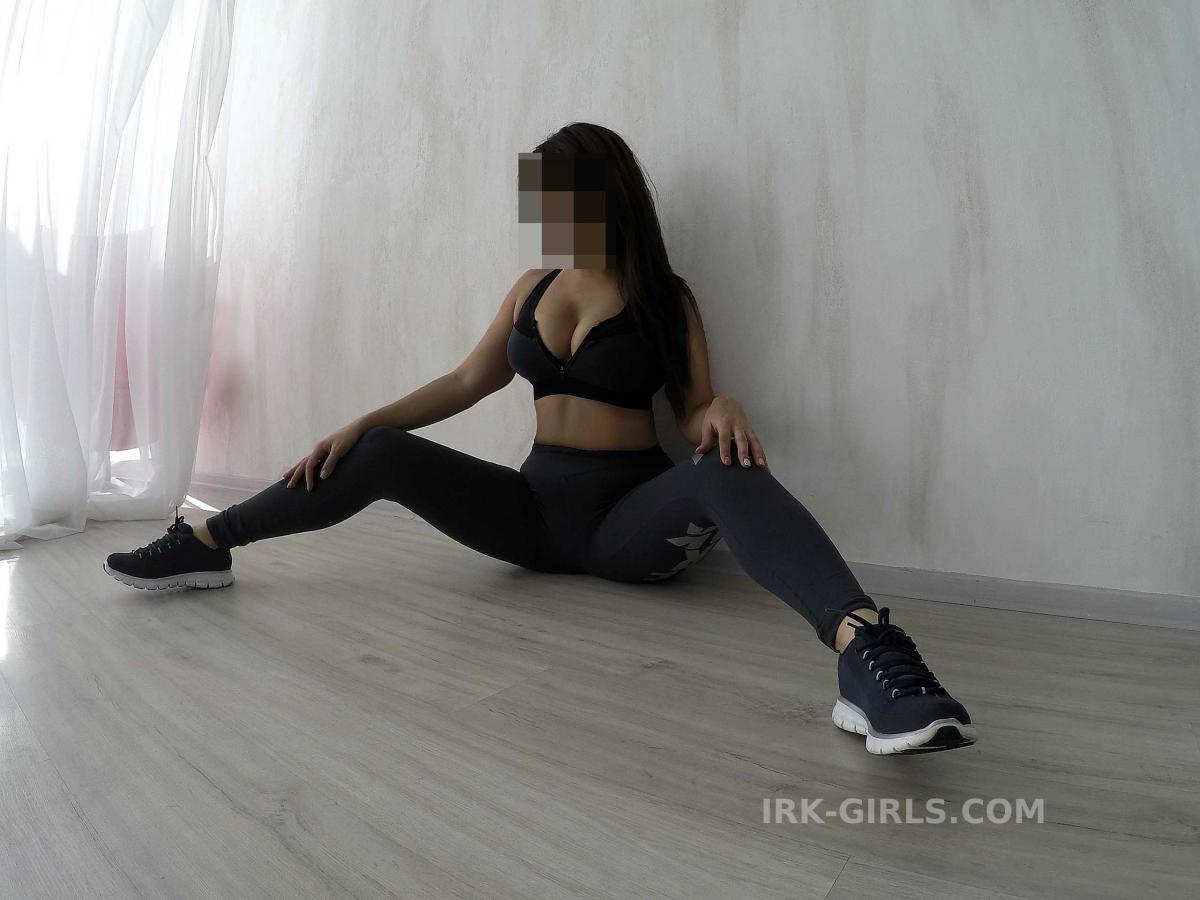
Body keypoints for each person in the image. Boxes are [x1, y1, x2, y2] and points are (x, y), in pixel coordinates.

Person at [103, 122, 974, 755]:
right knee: (376, 451)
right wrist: (363, 421)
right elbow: (466, 381)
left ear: (608, 196)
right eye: (542, 196)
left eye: (564, 194)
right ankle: (209, 542)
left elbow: (693, 409)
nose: (549, 211)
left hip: (628, 525)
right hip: (531, 516)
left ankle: (868, 653)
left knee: (721, 464)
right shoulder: (531, 286)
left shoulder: (665, 296)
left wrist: (723, 408)